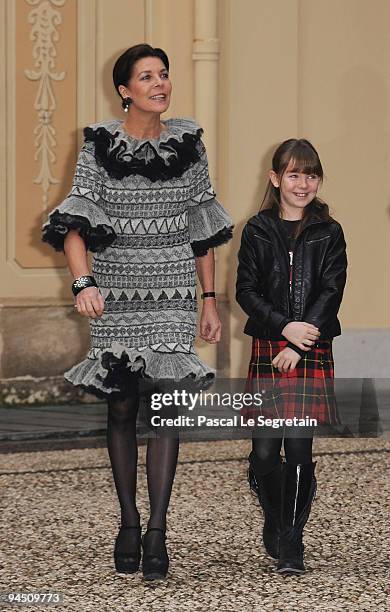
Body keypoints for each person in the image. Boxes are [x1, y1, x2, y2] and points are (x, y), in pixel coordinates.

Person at [42, 43, 233, 580]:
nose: (160, 84)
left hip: (173, 291)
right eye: (147, 77)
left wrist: (209, 301)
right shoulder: (98, 145)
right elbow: (74, 223)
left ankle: (157, 531)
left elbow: (203, 228)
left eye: (164, 75)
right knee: (123, 407)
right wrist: (84, 283)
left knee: (167, 410)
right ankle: (128, 520)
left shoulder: (189, 144)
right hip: (118, 291)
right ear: (125, 90)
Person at [236, 138, 347, 574]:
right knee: (265, 453)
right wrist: (283, 329)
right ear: (276, 178)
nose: (304, 184)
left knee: (299, 449)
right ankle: (275, 515)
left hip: (312, 348)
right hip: (269, 344)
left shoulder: (329, 231)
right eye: (295, 174)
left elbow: (331, 291)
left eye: (312, 175)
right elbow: (245, 290)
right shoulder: (258, 229)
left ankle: (292, 542)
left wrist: (301, 343)